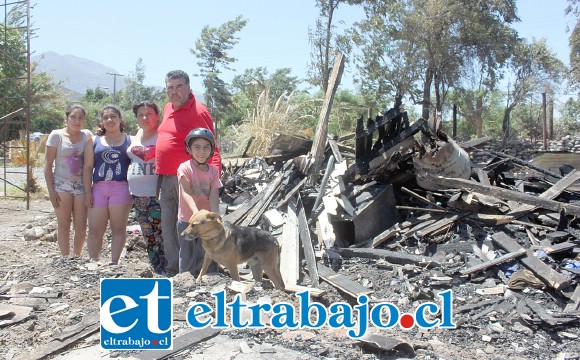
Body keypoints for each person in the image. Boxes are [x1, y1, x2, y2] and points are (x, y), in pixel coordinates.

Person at [156, 70, 222, 276]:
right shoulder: (167, 109)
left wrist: (213, 176)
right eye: (170, 87)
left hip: (192, 179)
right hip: (167, 178)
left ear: (188, 87)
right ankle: (176, 271)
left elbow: (211, 144)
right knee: (170, 228)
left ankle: (206, 271)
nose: (174, 91)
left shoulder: (199, 111)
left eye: (179, 86)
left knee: (199, 226)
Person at [83, 105, 133, 265]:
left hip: (121, 188)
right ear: (101, 122)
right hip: (98, 188)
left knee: (118, 228)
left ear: (120, 119)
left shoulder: (130, 141)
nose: (109, 120)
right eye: (105, 118)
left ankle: (114, 263)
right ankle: (93, 261)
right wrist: (87, 192)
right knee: (95, 229)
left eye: (113, 116)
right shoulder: (94, 141)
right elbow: (88, 167)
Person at [44, 104, 93, 257]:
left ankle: (76, 257)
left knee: (81, 227)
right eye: (73, 117)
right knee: (64, 225)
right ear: (66, 118)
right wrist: (51, 191)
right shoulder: (56, 135)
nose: (77, 121)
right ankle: (65, 258)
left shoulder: (87, 136)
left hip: (80, 185)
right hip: (61, 185)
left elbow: (88, 166)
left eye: (80, 118)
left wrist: (88, 192)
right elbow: (47, 164)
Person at [127, 100, 166, 275]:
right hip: (138, 195)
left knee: (162, 234)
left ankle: (168, 268)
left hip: (156, 195)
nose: (145, 118)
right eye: (140, 115)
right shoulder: (137, 135)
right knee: (148, 235)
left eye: (149, 114)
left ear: (157, 116)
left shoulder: (163, 135)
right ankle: (156, 267)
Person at [177, 128, 222, 275]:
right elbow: (186, 192)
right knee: (187, 252)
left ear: (211, 150)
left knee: (208, 250)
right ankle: (185, 279)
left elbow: (214, 195)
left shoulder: (214, 171)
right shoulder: (185, 168)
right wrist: (195, 212)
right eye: (197, 147)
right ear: (189, 149)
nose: (201, 151)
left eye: (206, 147)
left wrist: (215, 214)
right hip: (187, 218)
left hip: (206, 222)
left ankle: (209, 277)